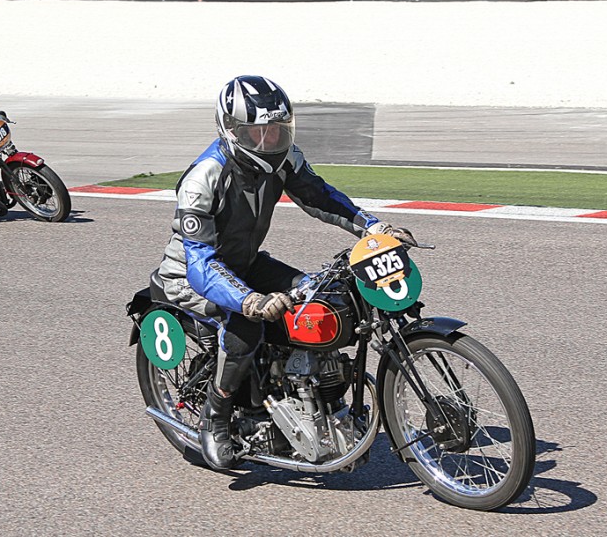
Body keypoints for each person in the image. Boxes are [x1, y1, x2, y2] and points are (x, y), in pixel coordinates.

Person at [155, 75, 417, 469]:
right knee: (246, 325)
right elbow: (200, 261)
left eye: (277, 130)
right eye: (258, 132)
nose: (269, 140)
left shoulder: (286, 158)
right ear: (231, 130)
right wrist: (249, 300)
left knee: (322, 296)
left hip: (245, 263)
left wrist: (374, 227)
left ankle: (311, 395)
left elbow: (320, 196)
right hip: (190, 275)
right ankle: (217, 415)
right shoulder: (203, 179)